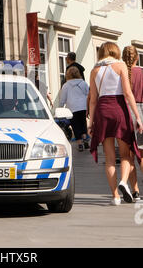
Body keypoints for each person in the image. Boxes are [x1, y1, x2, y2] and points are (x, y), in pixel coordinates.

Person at [88, 42, 143, 206]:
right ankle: (124, 182)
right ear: (115, 51)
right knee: (126, 155)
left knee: (110, 158)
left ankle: (115, 197)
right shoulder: (120, 66)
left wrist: (90, 123)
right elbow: (127, 93)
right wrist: (137, 116)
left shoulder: (94, 70)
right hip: (119, 109)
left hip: (102, 111)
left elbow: (92, 100)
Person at [122, 45, 143, 201]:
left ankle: (135, 191)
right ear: (137, 58)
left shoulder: (120, 74)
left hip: (124, 112)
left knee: (128, 156)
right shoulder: (141, 73)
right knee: (142, 155)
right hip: (140, 111)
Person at [60, 66, 89, 151]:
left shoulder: (66, 85)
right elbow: (88, 95)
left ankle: (80, 144)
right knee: (83, 123)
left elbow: (63, 99)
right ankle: (85, 139)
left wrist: (60, 107)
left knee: (75, 126)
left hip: (72, 108)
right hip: (83, 106)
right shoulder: (83, 83)